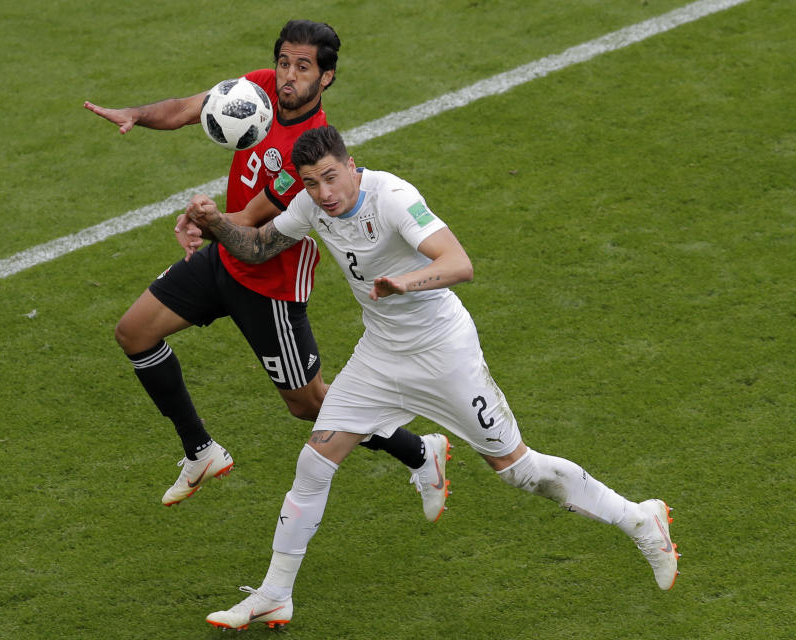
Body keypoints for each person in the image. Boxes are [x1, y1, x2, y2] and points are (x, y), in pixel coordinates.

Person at [185, 125, 681, 630]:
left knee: (519, 471)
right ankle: (274, 594)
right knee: (314, 463)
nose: (324, 193)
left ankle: (640, 520)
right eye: (311, 183)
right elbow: (256, 248)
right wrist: (213, 223)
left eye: (331, 178)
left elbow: (459, 263)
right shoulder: (312, 207)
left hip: (443, 354)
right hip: (380, 355)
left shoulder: (393, 197)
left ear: (351, 165)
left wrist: (405, 281)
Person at [83, 21, 448, 517]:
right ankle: (201, 452)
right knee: (134, 333)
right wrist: (135, 114)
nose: (288, 77)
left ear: (327, 78)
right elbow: (191, 108)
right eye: (284, 63)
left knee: (310, 405)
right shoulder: (256, 90)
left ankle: (421, 452)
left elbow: (253, 223)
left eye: (303, 67)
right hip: (224, 260)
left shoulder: (313, 151)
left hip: (269, 282)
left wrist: (202, 222)